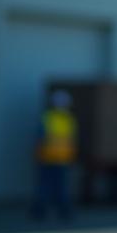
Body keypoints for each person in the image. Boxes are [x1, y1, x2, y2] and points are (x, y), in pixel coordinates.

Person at [31, 89, 77, 222]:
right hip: (56, 158)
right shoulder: (67, 119)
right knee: (58, 187)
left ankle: (42, 211)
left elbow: (40, 138)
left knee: (46, 186)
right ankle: (61, 211)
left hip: (51, 157)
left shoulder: (49, 118)